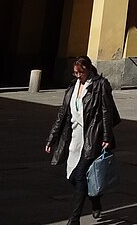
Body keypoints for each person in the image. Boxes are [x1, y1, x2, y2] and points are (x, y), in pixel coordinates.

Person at [45, 56, 118, 225]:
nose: (78, 76)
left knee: (79, 175)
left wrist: (107, 137)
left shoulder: (100, 85)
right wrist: (51, 139)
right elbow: (62, 114)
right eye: (75, 72)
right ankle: (95, 199)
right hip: (74, 137)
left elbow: (107, 112)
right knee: (72, 177)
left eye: (81, 72)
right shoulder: (72, 87)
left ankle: (74, 219)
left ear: (88, 69)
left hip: (92, 137)